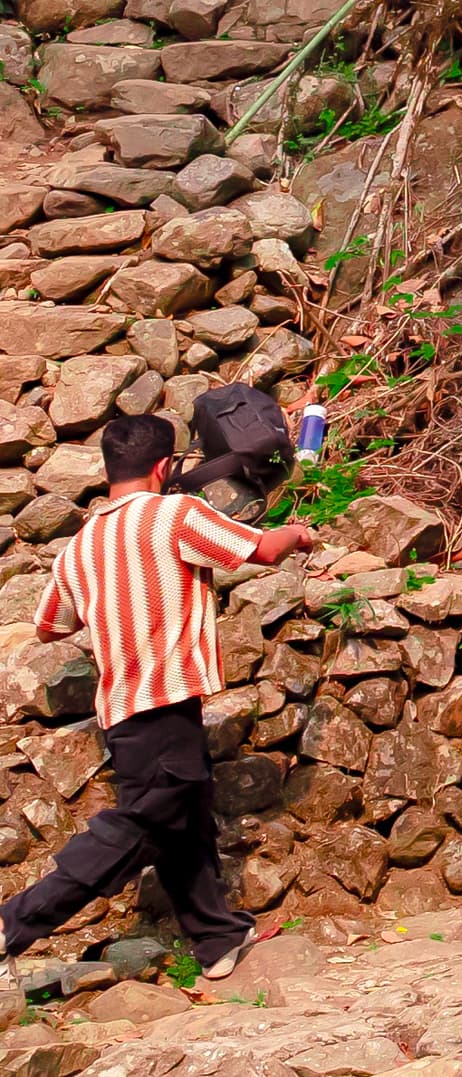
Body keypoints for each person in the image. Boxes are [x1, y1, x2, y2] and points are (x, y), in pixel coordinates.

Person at [1, 414, 321, 976]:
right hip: (166, 698)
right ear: (164, 466)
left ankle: (217, 937)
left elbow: (50, 623)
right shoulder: (175, 514)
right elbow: (263, 551)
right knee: (142, 824)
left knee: (185, 819)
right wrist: (298, 533)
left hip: (123, 712)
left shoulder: (80, 545)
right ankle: (16, 920)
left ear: (108, 470)